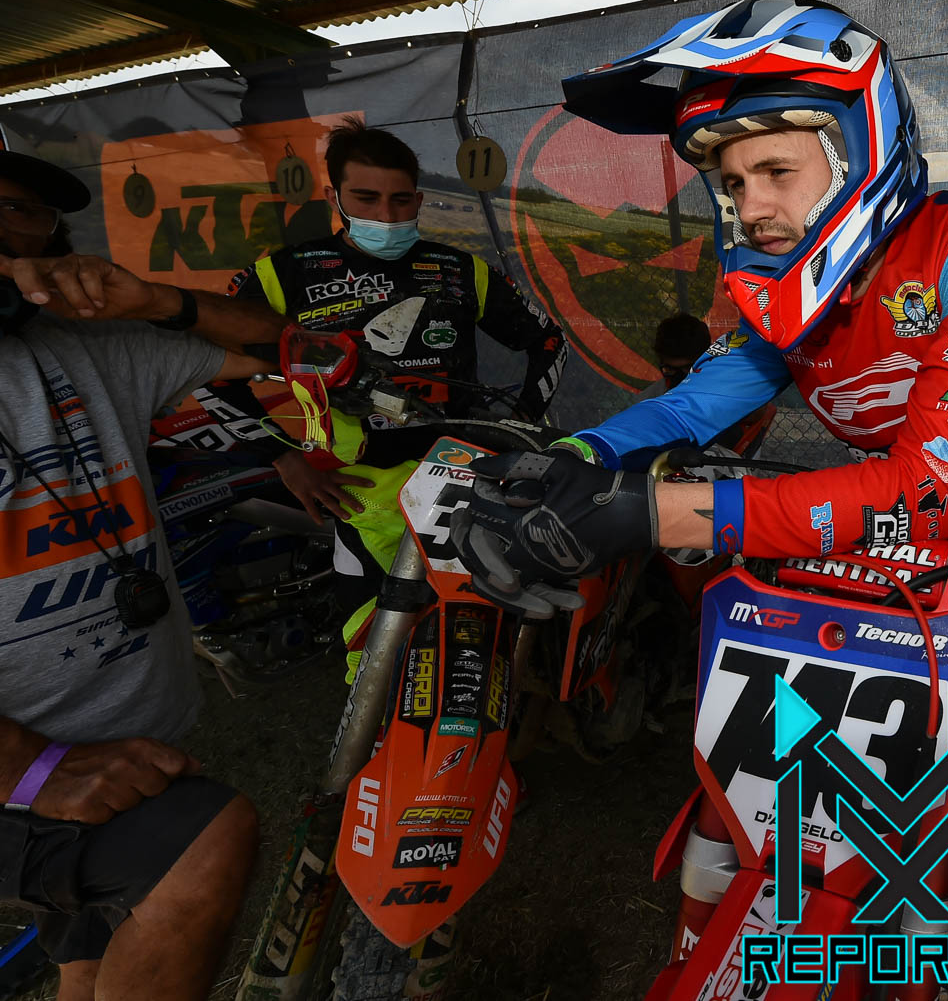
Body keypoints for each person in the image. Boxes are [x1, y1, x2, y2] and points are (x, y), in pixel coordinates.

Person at [462, 0, 948, 998]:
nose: (751, 205)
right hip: (898, 571)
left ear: (860, 149)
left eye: (776, 171)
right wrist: (573, 455)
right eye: (732, 183)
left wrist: (655, 513)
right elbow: (698, 401)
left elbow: (925, 491)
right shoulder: (789, 287)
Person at [0, 141, 289, 1001]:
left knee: (94, 949)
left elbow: (288, 350)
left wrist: (162, 300)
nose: (7, 236)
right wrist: (28, 768)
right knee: (204, 840)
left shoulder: (86, 346)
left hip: (109, 754)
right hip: (29, 775)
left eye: (20, 212)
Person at [199, 119, 568, 625]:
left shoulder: (461, 270)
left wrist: (518, 422)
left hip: (460, 477)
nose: (386, 215)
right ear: (333, 197)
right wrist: (282, 459)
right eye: (366, 198)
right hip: (356, 490)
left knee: (477, 629)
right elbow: (206, 373)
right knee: (370, 641)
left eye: (400, 200)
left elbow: (549, 341)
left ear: (419, 200)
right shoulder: (283, 274)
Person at [638, 311, 713, 399]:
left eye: (688, 368)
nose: (680, 379)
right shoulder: (651, 399)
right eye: (670, 369)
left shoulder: (723, 390)